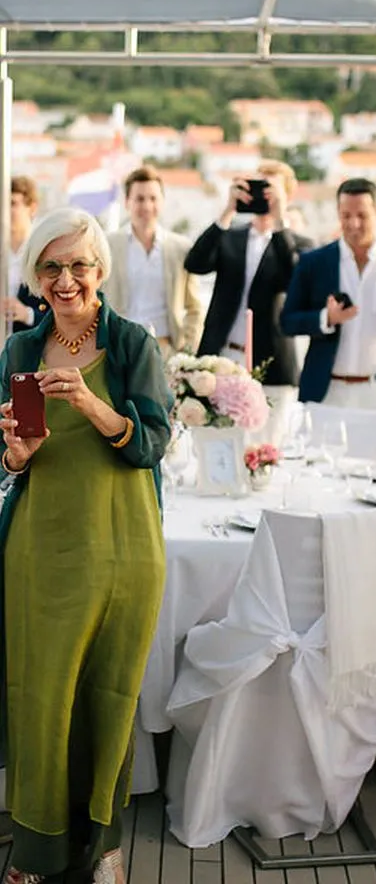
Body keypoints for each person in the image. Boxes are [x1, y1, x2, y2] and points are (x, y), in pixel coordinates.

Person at [0, 208, 172, 884]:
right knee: (40, 699)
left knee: (109, 696)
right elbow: (12, 463)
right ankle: (37, 851)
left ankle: (104, 845)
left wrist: (95, 407)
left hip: (124, 548)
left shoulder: (133, 345)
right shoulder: (17, 349)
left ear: (100, 269)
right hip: (40, 548)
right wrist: (15, 454)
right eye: (51, 266)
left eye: (78, 265)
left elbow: (154, 442)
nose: (65, 279)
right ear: (35, 276)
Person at [280, 177, 376, 424]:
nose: (353, 223)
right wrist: (325, 318)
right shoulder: (313, 262)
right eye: (345, 215)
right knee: (319, 462)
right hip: (326, 392)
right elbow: (287, 321)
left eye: (362, 215)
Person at [184, 160, 312, 442]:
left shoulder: (300, 244)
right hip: (223, 358)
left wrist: (280, 222)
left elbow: (294, 280)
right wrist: (228, 210)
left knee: (263, 454)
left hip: (272, 365)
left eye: (271, 189)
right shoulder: (231, 236)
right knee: (216, 445)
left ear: (288, 196)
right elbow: (195, 262)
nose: (263, 195)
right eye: (259, 187)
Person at [105, 165, 204, 356]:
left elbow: (194, 307)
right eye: (140, 199)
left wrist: (186, 347)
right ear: (127, 202)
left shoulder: (181, 248)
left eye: (153, 198)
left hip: (166, 349)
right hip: (119, 348)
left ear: (162, 201)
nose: (147, 206)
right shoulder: (108, 245)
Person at [2, 177, 47, 335]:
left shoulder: (44, 251)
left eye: (13, 203)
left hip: (28, 347)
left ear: (32, 207)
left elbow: (60, 316)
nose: (5, 210)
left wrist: (27, 314)